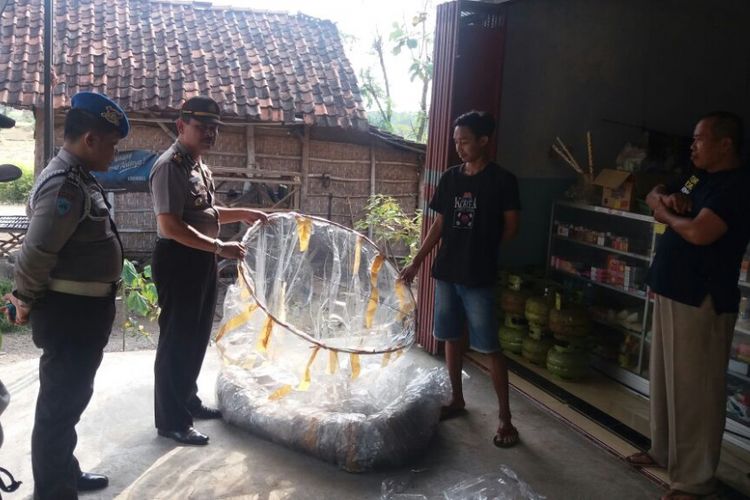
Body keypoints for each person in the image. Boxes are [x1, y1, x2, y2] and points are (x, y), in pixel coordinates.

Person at [5, 92, 129, 499]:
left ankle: (65, 472)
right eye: (110, 144)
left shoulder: (79, 177)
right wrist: (22, 298)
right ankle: (54, 492)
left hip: (83, 313)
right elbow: (37, 252)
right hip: (70, 314)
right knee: (59, 408)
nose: (113, 153)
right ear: (90, 139)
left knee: (70, 401)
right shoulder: (65, 185)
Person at [626, 112, 749, 500]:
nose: (692, 146)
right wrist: (665, 198)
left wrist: (664, 215)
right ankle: (663, 450)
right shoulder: (698, 177)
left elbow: (700, 232)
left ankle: (694, 480)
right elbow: (652, 193)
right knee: (665, 378)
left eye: (699, 139)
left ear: (725, 145)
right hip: (672, 288)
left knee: (696, 391)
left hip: (702, 297)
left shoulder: (736, 186)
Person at [149, 96, 267, 446]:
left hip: (200, 259)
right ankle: (171, 421)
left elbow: (207, 211)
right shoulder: (170, 166)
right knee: (176, 340)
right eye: (202, 127)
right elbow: (170, 225)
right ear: (181, 126)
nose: (210, 134)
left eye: (214, 128)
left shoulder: (197, 165)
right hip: (178, 259)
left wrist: (243, 212)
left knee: (196, 336)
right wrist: (220, 247)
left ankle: (188, 400)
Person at [400, 110, 521, 448]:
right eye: (456, 142)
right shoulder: (452, 178)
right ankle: (456, 399)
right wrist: (417, 262)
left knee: (489, 347)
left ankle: (505, 418)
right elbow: (439, 224)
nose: (459, 148)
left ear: (484, 141)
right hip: (447, 272)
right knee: (451, 339)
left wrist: (482, 249)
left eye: (465, 141)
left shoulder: (502, 180)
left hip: (478, 276)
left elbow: (511, 227)